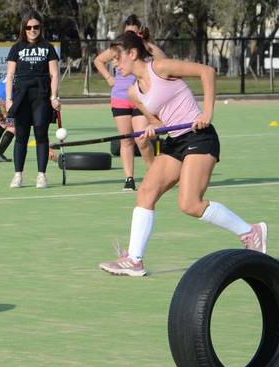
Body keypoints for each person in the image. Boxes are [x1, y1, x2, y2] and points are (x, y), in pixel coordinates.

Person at [99, 32, 267, 277]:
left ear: (132, 54)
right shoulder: (134, 92)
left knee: (189, 204)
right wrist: (152, 128)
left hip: (200, 136)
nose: (114, 63)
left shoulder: (160, 68)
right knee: (146, 192)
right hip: (175, 141)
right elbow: (158, 121)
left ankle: (251, 232)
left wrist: (207, 113)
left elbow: (207, 71)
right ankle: (134, 261)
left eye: (117, 58)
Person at [93, 14, 166, 191]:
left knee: (142, 139)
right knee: (126, 141)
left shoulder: (144, 47)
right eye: (128, 32)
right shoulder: (119, 47)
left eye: (134, 32)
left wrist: (147, 43)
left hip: (141, 99)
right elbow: (98, 60)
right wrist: (109, 77)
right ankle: (129, 179)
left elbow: (163, 60)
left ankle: (154, 176)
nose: (130, 36)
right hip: (120, 98)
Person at [5, 9, 60, 188]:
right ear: (23, 28)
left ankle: (41, 176)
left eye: (36, 27)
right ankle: (18, 175)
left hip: (41, 95)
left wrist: (54, 96)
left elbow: (54, 74)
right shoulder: (16, 48)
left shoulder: (47, 48)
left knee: (41, 134)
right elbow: (10, 75)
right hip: (21, 96)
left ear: (40, 27)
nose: (32, 30)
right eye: (28, 27)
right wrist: (8, 99)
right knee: (21, 136)